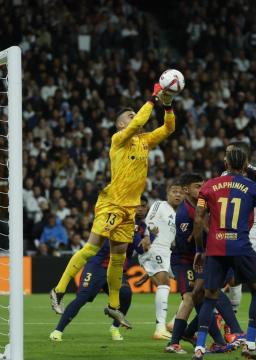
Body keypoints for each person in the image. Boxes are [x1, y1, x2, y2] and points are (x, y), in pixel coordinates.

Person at [49, 83, 175, 329]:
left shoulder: (144, 141)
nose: (134, 118)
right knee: (91, 248)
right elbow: (138, 122)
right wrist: (153, 98)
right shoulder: (118, 140)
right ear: (120, 125)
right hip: (112, 203)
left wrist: (167, 104)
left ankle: (114, 307)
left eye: (133, 114)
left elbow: (169, 127)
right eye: (129, 116)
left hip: (129, 208)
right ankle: (59, 289)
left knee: (118, 259)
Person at [191, 147, 256, 360]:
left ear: (226, 163)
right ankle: (250, 344)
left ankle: (199, 348)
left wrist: (200, 250)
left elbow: (199, 219)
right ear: (246, 165)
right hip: (241, 248)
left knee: (210, 296)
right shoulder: (253, 187)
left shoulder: (209, 186)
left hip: (216, 249)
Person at [49, 198, 149, 342]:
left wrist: (148, 237)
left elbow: (139, 249)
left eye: (143, 206)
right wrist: (144, 236)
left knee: (126, 294)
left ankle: (114, 328)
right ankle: (58, 331)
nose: (140, 209)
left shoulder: (141, 226)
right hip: (97, 265)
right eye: (137, 206)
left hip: (116, 270)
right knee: (82, 298)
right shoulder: (118, 217)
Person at [165, 173, 243, 355]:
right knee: (194, 296)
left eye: (202, 185)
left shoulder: (203, 205)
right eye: (197, 186)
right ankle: (174, 342)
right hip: (185, 261)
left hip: (203, 258)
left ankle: (201, 337)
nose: (202, 189)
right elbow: (185, 245)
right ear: (186, 190)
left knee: (205, 296)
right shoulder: (184, 214)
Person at [221, 141, 256, 317]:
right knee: (230, 274)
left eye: (229, 153)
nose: (225, 157)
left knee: (238, 273)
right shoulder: (224, 174)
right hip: (231, 226)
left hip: (252, 226)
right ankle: (229, 320)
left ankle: (229, 318)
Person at [138, 181, 183, 340]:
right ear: (168, 193)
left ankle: (173, 322)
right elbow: (148, 220)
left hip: (168, 253)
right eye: (174, 191)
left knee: (190, 287)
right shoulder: (160, 205)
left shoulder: (179, 214)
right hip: (154, 247)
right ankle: (159, 328)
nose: (177, 194)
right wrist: (145, 237)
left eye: (180, 192)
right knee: (164, 283)